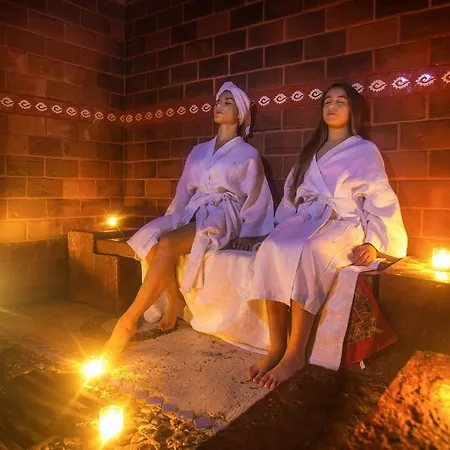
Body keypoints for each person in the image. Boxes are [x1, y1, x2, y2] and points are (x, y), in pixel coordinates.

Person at [247, 82, 408, 389]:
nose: (332, 106)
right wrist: (281, 227)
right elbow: (292, 195)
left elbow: (380, 197)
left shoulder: (365, 150)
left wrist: (373, 243)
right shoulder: (311, 151)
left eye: (340, 101)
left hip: (342, 222)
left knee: (309, 251)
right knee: (271, 247)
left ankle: (295, 353)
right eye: (327, 102)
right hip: (306, 218)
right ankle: (276, 347)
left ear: (352, 110)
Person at [104, 82, 274, 359]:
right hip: (193, 208)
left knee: (168, 244)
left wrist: (252, 232)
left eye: (228, 102)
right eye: (218, 101)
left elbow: (256, 196)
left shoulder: (248, 154)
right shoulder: (198, 151)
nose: (219, 106)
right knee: (148, 238)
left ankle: (127, 322)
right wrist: (174, 217)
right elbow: (184, 189)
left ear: (241, 113)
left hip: (224, 213)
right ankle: (174, 300)